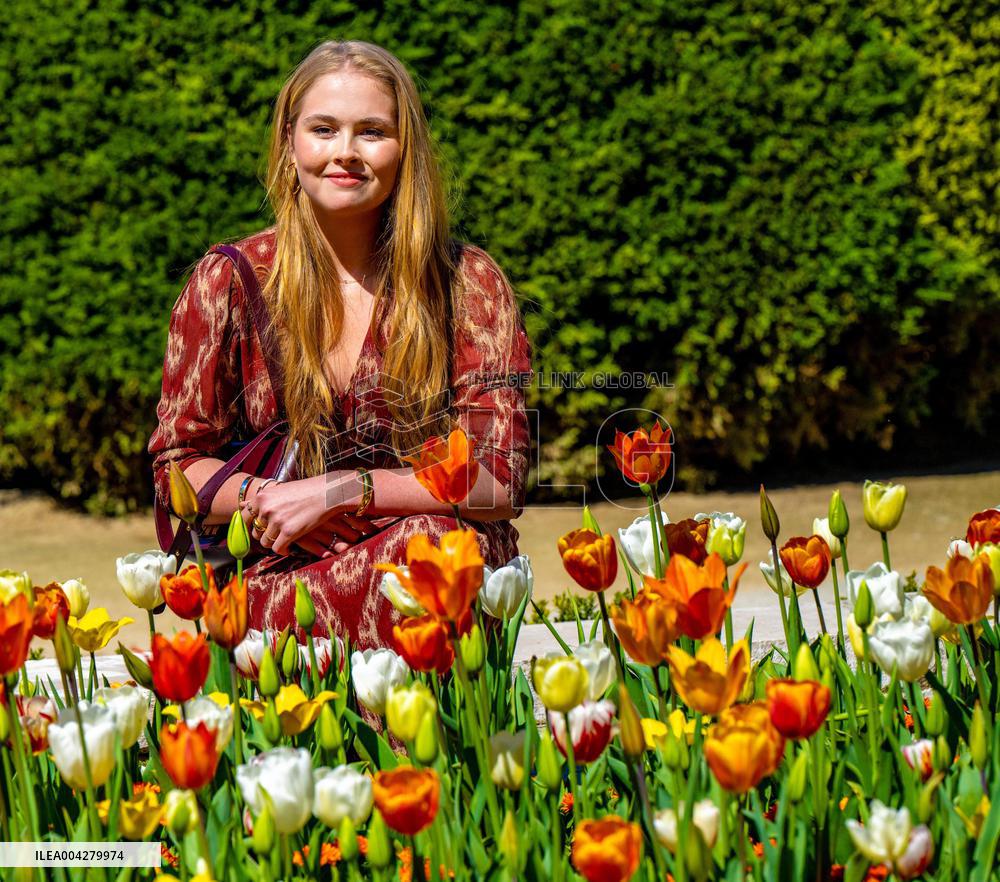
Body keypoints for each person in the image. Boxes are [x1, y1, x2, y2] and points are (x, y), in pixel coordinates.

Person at [148, 40, 532, 648]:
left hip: (429, 572)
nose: (346, 153)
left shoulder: (466, 283)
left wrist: (343, 490)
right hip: (277, 577)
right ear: (289, 141)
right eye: (323, 129)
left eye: (372, 131)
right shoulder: (229, 281)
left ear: (406, 149)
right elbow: (177, 466)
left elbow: (500, 477)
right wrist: (271, 501)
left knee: (425, 549)